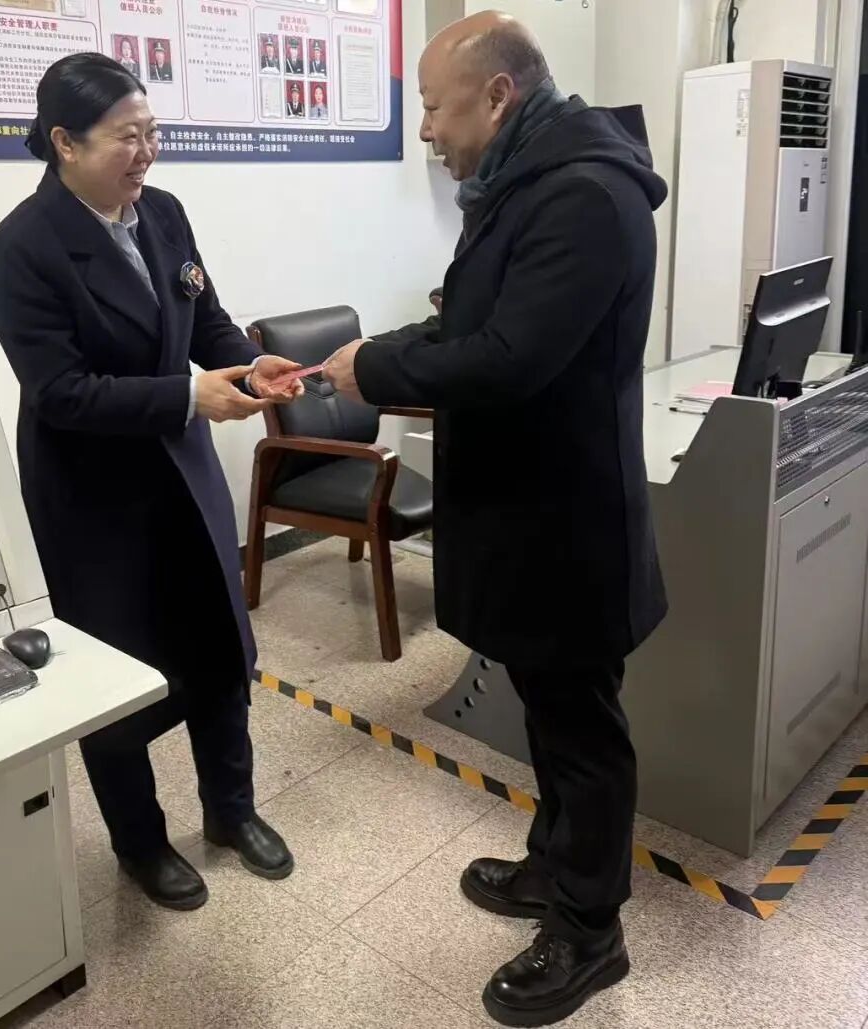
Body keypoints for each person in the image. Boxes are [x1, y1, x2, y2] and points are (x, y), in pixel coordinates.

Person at [323, 12, 668, 1027]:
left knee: (583, 734)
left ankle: (590, 932)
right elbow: (471, 320)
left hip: (570, 528)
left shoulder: (585, 197)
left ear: (499, 96)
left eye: (436, 108)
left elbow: (512, 358)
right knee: (551, 719)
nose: (428, 131)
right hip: (529, 515)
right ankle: (553, 868)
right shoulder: (524, 185)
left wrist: (377, 368)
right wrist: (380, 349)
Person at [0, 53, 305, 913]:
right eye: (127, 137)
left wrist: (248, 364)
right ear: (65, 142)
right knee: (118, 674)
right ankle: (141, 843)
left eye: (153, 132)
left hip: (183, 475)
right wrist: (186, 397)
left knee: (217, 650)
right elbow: (61, 392)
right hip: (93, 498)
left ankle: (232, 811)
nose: (147, 152)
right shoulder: (22, 248)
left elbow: (204, 318)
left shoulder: (161, 213)